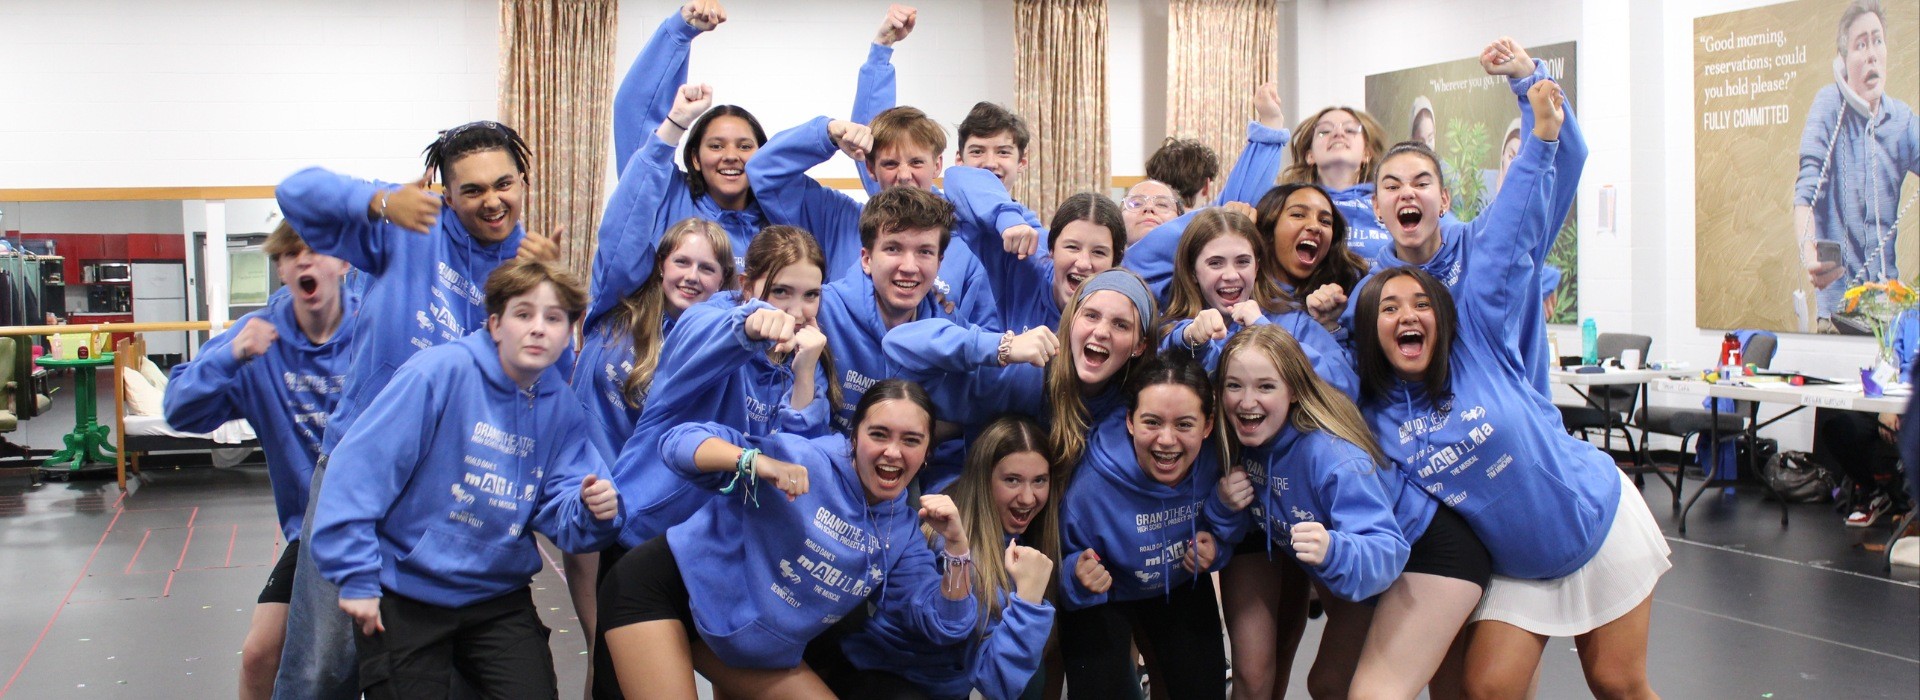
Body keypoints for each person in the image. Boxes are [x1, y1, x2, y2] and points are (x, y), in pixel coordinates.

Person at [1352, 81, 1671, 699]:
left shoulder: (1477, 327)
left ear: (1444, 199)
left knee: (1616, 682)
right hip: (1515, 560)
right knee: (1489, 690)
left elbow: (1511, 235)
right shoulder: (1374, 397)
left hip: (1591, 516)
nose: (1405, 315)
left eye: (1420, 303)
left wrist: (1540, 120)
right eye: (1389, 307)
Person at [272, 118, 550, 699]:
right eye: (472, 189)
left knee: (444, 670)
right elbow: (294, 193)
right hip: (359, 471)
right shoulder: (410, 228)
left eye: (504, 183)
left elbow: (540, 390)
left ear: (524, 180)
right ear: (446, 193)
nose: (492, 200)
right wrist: (377, 202)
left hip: (451, 495)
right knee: (322, 665)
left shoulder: (530, 266)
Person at [309, 259, 624, 700]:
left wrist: (593, 510)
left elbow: (562, 505)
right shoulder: (436, 374)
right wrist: (358, 577)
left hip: (496, 595)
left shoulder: (562, 408)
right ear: (495, 324)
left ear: (569, 332)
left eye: (553, 319)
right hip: (408, 591)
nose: (538, 329)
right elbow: (356, 477)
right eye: (523, 314)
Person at [594, 380, 978, 700]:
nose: (892, 452)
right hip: (662, 593)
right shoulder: (803, 458)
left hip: (736, 639)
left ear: (926, 453)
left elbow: (946, 625)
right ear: (855, 437)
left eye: (911, 440)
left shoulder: (903, 533)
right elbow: (676, 443)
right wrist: (754, 462)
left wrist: (957, 549)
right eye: (878, 434)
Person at [1215, 325, 1490, 699]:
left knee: (1374, 695)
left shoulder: (1332, 457)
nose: (1247, 401)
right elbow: (1243, 527)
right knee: (1329, 685)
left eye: (1266, 386)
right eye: (1234, 386)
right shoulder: (1247, 444)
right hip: (1373, 565)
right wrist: (1224, 505)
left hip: (1429, 554)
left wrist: (1333, 550)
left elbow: (1385, 546)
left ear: (1293, 392)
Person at [1323, 39, 1588, 399]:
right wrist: (1328, 325)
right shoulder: (1372, 294)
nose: (1407, 193)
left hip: (1519, 436)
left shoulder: (1493, 243)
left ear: (1444, 198)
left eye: (1421, 182)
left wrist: (1529, 82)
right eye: (1392, 185)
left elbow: (1561, 161)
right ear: (1377, 208)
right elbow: (1357, 383)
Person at [161, 222, 355, 700]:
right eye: (291, 255)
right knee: (260, 654)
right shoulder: (258, 343)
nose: (305, 261)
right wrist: (230, 355)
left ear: (346, 263)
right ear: (281, 271)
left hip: (389, 532)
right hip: (313, 539)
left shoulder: (377, 334)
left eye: (317, 250)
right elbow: (177, 409)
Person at [610, 225, 835, 554]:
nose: (797, 311)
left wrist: (804, 373)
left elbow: (796, 462)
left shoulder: (808, 354)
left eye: (810, 295)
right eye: (781, 291)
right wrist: (749, 324)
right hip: (644, 534)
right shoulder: (705, 318)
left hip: (716, 552)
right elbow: (706, 332)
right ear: (746, 285)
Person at [1055, 352, 1244, 699]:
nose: (1167, 440)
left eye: (1184, 425)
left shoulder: (1218, 459)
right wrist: (1076, 574)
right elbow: (1061, 573)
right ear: (1130, 421)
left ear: (1207, 425)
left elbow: (1229, 528)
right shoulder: (1091, 487)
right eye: (1152, 422)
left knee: (1204, 687)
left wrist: (1217, 549)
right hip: (1105, 592)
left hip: (1179, 581)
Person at [832, 415, 1059, 700]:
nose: (1028, 498)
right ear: (983, 480)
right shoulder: (954, 544)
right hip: (887, 679)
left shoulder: (1012, 533)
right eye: (1012, 480)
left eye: (1039, 481)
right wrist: (1028, 600)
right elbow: (996, 682)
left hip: (940, 686)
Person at [883, 268, 1159, 473]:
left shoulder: (1135, 401)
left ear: (1139, 346)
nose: (1101, 332)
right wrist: (1001, 346)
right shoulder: (1028, 376)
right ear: (1071, 321)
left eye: (1121, 325)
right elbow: (898, 343)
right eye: (1091, 315)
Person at [746, 106, 1000, 326]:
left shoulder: (969, 246)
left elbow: (984, 336)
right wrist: (827, 133)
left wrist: (945, 316)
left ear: (937, 165)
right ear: (870, 168)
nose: (903, 175)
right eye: (890, 164)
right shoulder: (839, 220)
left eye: (916, 163)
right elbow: (763, 171)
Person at [1794, 0, 1919, 333]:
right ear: (1843, 61)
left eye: (1877, 41)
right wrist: (1811, 256)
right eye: (1860, 44)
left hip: (1889, 320)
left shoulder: (1903, 121)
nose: (1871, 54)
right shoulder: (1827, 106)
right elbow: (1805, 194)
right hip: (1838, 318)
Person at [1158, 208, 1357, 397]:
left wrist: (1266, 332)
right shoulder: (1174, 328)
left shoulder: (1292, 321)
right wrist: (1190, 338)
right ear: (1192, 271)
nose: (1231, 275)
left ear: (1257, 267)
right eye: (1215, 263)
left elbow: (1345, 388)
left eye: (1242, 261)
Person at [1124, 83, 1293, 288]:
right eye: (1135, 203)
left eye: (1162, 204)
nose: (1148, 208)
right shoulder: (1105, 262)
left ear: (1180, 215)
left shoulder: (1196, 237)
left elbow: (1234, 203)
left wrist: (1270, 125)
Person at [941, 184, 1128, 333]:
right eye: (1072, 247)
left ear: (1115, 261)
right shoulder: (1026, 269)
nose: (1083, 263)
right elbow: (955, 179)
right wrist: (1006, 218)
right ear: (1052, 249)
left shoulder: (1121, 314)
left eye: (1099, 252)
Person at [1279, 106, 1392, 260]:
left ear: (1366, 154)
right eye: (1324, 131)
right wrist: (1270, 123)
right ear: (1310, 155)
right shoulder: (1286, 202)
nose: (1338, 133)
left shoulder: (1389, 202)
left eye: (1350, 130)